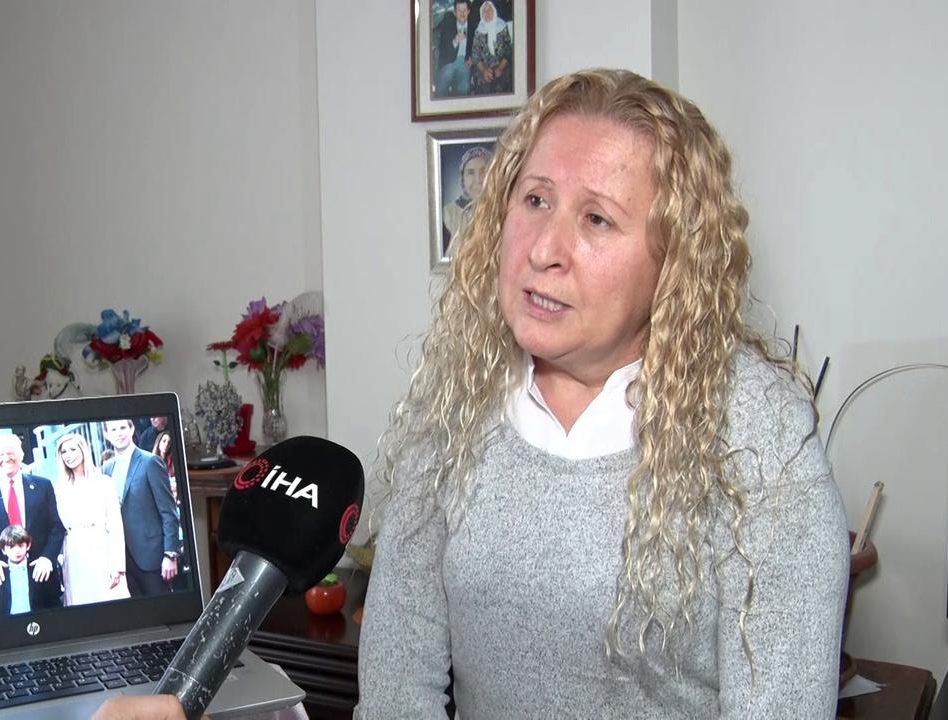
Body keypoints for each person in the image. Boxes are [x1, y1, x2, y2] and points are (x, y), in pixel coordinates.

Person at [355, 69, 849, 718]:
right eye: (534, 200)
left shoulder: (761, 437)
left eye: (596, 218)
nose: (545, 250)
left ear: (672, 262)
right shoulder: (454, 407)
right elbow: (396, 695)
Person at [0, 433, 66, 606]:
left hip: (41, 578)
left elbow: (56, 528)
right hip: (0, 584)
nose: (6, 458)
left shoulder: (43, 486)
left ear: (21, 454)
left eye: (11, 453)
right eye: (0, 455)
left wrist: (48, 558)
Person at [102, 419, 181, 597]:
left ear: (132, 430)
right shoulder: (106, 468)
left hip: (151, 556)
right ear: (107, 435)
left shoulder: (150, 462)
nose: (119, 433)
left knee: (162, 612)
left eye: (123, 427)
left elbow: (168, 512)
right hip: (122, 559)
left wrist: (170, 555)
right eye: (113, 429)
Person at [53, 432, 130, 605]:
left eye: (72, 449)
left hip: (102, 549)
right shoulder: (59, 488)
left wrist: (117, 565)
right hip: (74, 554)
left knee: (109, 602)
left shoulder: (104, 482)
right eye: (64, 452)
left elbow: (116, 526)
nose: (68, 455)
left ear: (83, 450)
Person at [0, 525, 63, 616]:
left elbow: (53, 604)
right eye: (11, 547)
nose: (17, 551)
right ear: (3, 550)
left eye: (21, 546)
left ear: (28, 546)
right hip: (7, 625)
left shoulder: (38, 569)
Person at [442, 145, 493, 258]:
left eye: (483, 171)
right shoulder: (448, 214)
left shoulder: (504, 211)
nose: (477, 180)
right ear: (463, 179)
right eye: (470, 172)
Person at [433, 0, 476, 98]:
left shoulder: (473, 25)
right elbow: (443, 47)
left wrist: (472, 58)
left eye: (465, 10)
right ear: (454, 12)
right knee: (441, 90)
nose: (462, 14)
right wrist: (455, 41)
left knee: (464, 88)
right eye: (459, 11)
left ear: (468, 11)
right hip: (448, 61)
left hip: (464, 62)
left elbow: (476, 46)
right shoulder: (448, 22)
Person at [468, 1, 512, 96]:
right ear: (481, 13)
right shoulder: (478, 31)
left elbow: (508, 51)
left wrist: (500, 68)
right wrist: (484, 70)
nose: (487, 13)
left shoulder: (502, 27)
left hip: (502, 66)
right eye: (484, 11)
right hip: (483, 68)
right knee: (484, 89)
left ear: (495, 11)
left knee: (504, 87)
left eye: (490, 10)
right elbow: (475, 55)